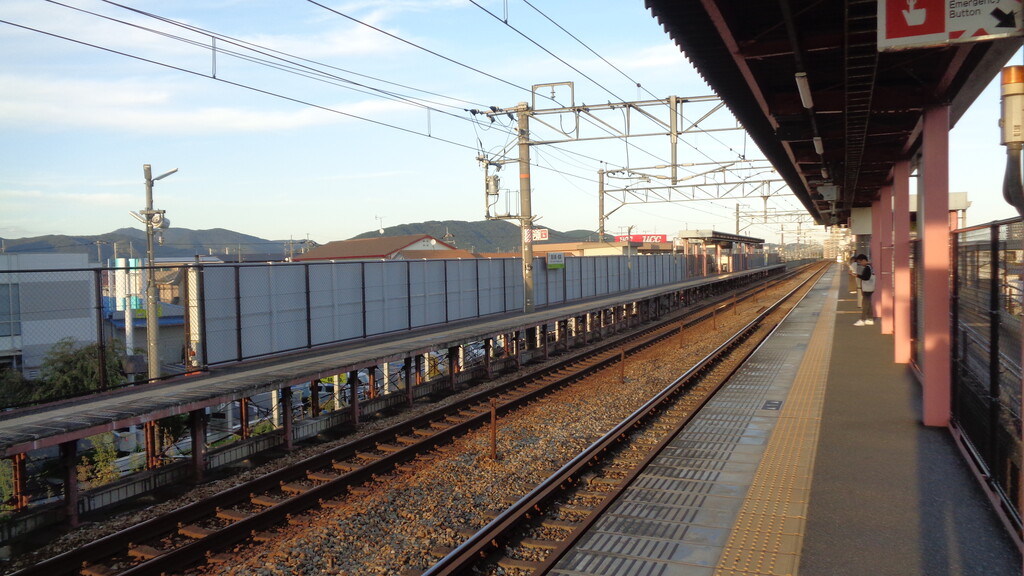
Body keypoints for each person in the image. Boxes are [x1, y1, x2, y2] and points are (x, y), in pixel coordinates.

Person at [854, 253, 875, 326]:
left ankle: (862, 320)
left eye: (860, 262)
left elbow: (866, 277)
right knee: (868, 304)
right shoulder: (869, 267)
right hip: (869, 288)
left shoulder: (868, 268)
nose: (860, 264)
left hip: (868, 288)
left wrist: (857, 275)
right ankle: (870, 319)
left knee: (865, 304)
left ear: (864, 260)